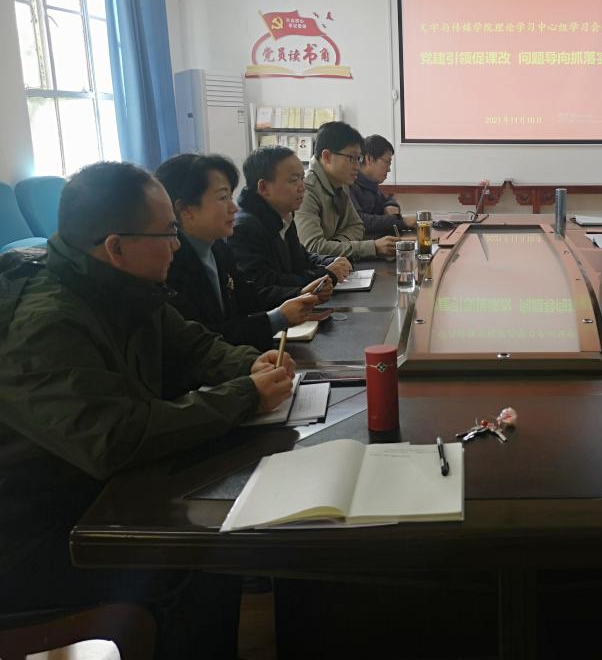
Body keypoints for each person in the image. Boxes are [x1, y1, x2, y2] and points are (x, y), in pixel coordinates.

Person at [0, 162, 297, 659]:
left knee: (218, 532)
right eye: (167, 233)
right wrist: (245, 394)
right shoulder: (45, 324)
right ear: (116, 246)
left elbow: (193, 346)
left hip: (93, 493)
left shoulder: (120, 284)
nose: (177, 245)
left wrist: (249, 364)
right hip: (30, 532)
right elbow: (115, 438)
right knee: (198, 560)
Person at [156, 153, 330, 351]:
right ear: (185, 209)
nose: (234, 208)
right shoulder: (168, 263)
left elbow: (247, 296)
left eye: (231, 196)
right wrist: (277, 319)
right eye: (223, 197)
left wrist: (298, 293)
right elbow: (203, 339)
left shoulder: (217, 247)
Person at [229, 146, 353, 291]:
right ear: (263, 187)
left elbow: (301, 258)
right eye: (294, 180)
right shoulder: (244, 229)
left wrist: (332, 261)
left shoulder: (283, 214)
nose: (302, 187)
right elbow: (265, 283)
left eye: (302, 178)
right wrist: (325, 274)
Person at [296, 121, 398, 260]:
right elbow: (313, 248)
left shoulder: (340, 183)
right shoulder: (306, 191)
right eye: (351, 158)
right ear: (327, 157)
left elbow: (357, 226)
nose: (357, 166)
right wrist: (372, 247)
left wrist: (336, 244)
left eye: (358, 159)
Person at [350, 134, 416, 238]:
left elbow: (386, 200)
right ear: (369, 159)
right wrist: (401, 221)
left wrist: (391, 205)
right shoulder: (350, 184)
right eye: (387, 162)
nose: (389, 169)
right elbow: (360, 220)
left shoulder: (370, 183)